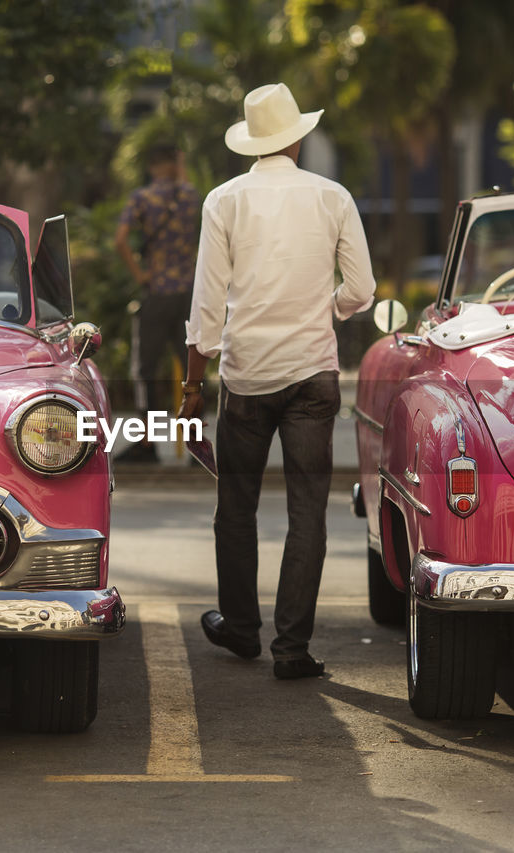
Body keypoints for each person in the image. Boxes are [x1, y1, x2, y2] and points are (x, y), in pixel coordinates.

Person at [179, 83, 376, 679]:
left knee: (236, 508)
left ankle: (241, 630)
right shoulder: (332, 196)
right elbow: (363, 291)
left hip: (246, 374)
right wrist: (330, 308)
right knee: (307, 513)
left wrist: (191, 388)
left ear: (251, 143)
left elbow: (207, 306)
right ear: (297, 138)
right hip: (313, 375)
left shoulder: (224, 201)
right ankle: (292, 650)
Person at [114, 142, 201, 463]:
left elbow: (121, 239)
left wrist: (141, 275)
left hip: (158, 292)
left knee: (145, 369)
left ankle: (147, 445)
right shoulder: (190, 196)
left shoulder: (142, 198)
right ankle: (196, 447)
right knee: (191, 371)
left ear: (152, 167)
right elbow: (187, 186)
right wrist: (181, 167)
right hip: (187, 294)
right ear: (175, 164)